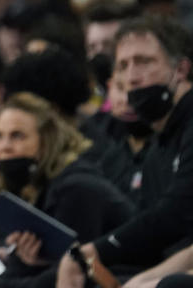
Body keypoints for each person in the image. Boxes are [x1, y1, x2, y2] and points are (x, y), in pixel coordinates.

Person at [56, 17, 193, 288]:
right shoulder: (159, 146)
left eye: (143, 61)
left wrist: (98, 251)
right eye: (123, 66)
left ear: (181, 69)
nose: (131, 76)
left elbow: (178, 213)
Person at [0, 93, 135, 288]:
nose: (4, 147)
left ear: (46, 142)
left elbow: (73, 274)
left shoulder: (77, 189)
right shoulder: (39, 188)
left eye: (17, 136)